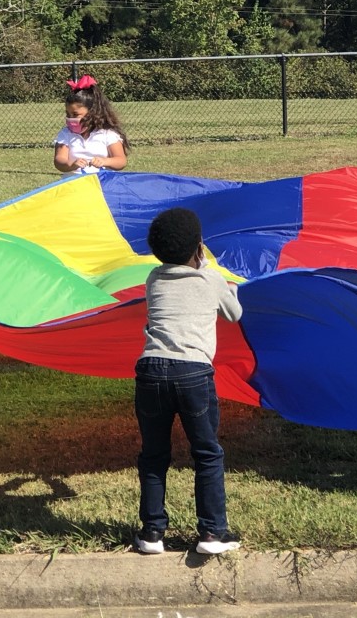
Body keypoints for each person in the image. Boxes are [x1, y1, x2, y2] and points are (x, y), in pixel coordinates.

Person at [133, 207, 243, 556]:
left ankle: (152, 533)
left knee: (153, 455)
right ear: (199, 248)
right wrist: (209, 266)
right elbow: (234, 313)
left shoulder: (153, 279)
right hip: (193, 373)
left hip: (150, 370)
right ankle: (212, 533)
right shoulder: (209, 280)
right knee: (207, 453)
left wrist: (196, 255)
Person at [54, 74, 129, 175]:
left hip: (101, 184)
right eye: (68, 114)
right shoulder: (65, 134)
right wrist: (71, 164)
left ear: (92, 112)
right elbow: (59, 160)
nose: (71, 118)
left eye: (75, 114)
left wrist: (105, 161)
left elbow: (121, 161)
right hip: (73, 185)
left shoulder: (107, 134)